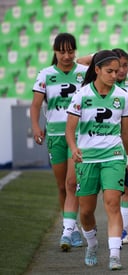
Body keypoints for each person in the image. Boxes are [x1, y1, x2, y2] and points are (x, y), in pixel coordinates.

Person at [78, 49, 128, 244]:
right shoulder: (98, 85)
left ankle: (123, 231)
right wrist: (108, 55)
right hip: (109, 140)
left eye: (125, 65)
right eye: (117, 66)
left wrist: (127, 55)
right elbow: (80, 61)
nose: (121, 70)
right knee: (108, 192)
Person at [66, 50, 128, 270]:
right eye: (110, 71)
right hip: (86, 159)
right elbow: (70, 129)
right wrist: (74, 148)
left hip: (113, 156)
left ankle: (115, 255)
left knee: (113, 203)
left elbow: (126, 133)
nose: (115, 75)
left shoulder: (123, 96)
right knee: (86, 212)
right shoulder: (81, 94)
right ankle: (92, 244)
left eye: (117, 71)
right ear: (97, 70)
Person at [30, 32, 87, 251]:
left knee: (72, 184)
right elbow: (36, 105)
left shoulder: (84, 73)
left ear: (75, 51)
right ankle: (70, 228)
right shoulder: (45, 74)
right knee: (61, 186)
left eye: (71, 51)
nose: (66, 56)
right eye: (62, 52)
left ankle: (70, 229)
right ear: (55, 52)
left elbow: (100, 62)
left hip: (78, 136)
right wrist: (36, 127)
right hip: (54, 136)